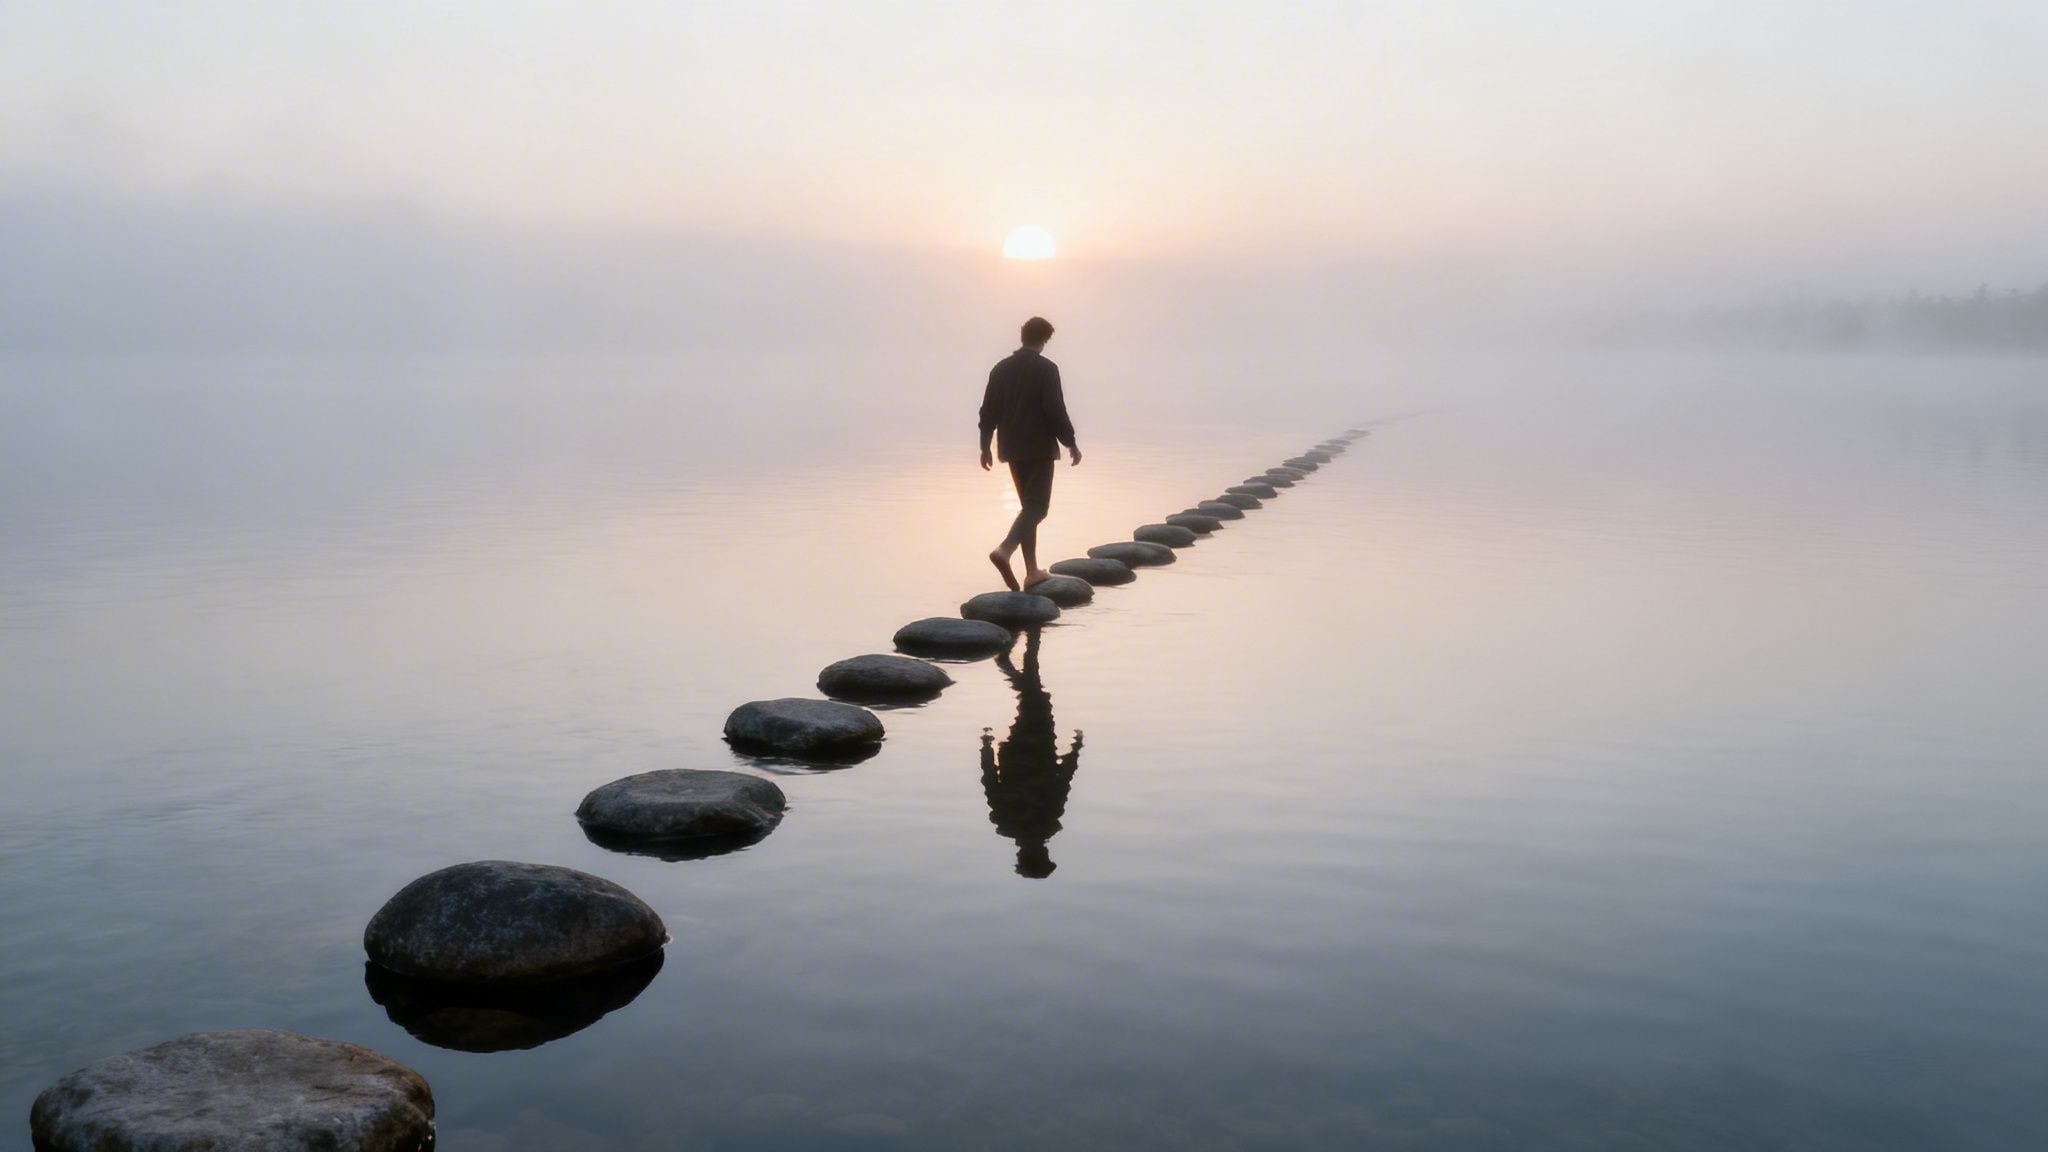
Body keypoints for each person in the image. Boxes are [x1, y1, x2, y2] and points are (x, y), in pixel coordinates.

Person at [979, 316, 1081, 592]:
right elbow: (1055, 409)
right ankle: (1005, 550)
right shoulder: (1046, 369)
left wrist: (984, 445)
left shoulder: (1000, 369)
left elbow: (987, 412)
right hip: (1039, 448)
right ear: (1044, 340)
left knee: (1028, 509)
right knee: (1038, 508)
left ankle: (1032, 571)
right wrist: (1070, 442)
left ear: (1022, 336)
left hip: (1011, 448)